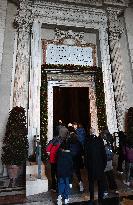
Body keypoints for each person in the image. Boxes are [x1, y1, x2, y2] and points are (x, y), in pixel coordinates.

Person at [85, 128, 107, 205]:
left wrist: (86, 166)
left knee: (91, 183)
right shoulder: (100, 140)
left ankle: (91, 199)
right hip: (100, 166)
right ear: (95, 133)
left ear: (90, 133)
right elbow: (104, 154)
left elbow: (86, 155)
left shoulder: (87, 141)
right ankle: (100, 199)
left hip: (91, 166)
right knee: (100, 183)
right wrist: (104, 165)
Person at [57, 140, 73, 205]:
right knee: (67, 186)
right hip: (67, 174)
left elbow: (58, 165)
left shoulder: (59, 154)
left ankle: (60, 196)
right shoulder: (69, 155)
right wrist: (71, 180)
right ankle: (66, 198)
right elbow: (71, 167)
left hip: (60, 173)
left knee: (61, 184)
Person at [68, 127, 84, 192]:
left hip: (71, 159)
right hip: (77, 159)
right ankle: (81, 185)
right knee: (78, 173)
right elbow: (81, 151)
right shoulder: (78, 142)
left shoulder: (68, 141)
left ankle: (70, 185)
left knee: (70, 172)